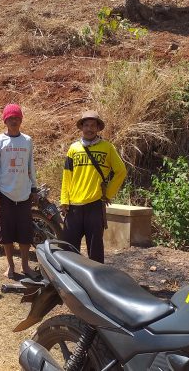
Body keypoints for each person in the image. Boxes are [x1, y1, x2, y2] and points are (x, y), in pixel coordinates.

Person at [60, 110, 126, 263]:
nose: (89, 129)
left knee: (95, 249)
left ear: (97, 128)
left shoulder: (107, 148)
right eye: (86, 125)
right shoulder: (73, 148)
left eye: (93, 126)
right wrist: (64, 200)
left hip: (95, 206)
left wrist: (108, 193)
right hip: (73, 206)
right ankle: (71, 280)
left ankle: (96, 282)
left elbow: (121, 171)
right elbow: (67, 175)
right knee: (68, 248)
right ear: (81, 127)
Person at [0, 104, 39, 279]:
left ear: (21, 119)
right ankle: (10, 266)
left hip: (24, 194)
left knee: (25, 232)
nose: (14, 120)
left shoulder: (27, 140)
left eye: (17, 117)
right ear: (5, 120)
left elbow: (30, 165)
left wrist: (34, 187)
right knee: (6, 232)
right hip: (5, 194)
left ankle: (25, 266)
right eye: (10, 118)